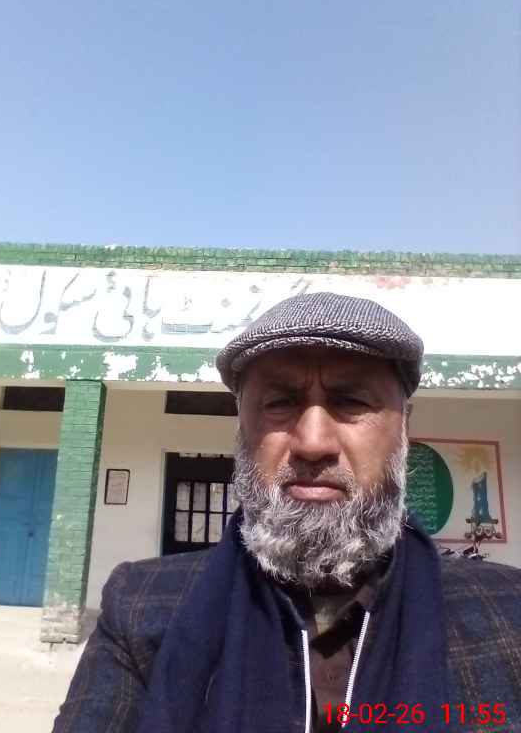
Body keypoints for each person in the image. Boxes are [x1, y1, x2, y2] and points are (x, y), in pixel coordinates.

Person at [53, 292, 521, 733]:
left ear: (404, 427)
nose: (313, 443)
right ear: (243, 429)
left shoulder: (507, 611)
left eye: (351, 402)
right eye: (279, 403)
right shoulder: (140, 608)